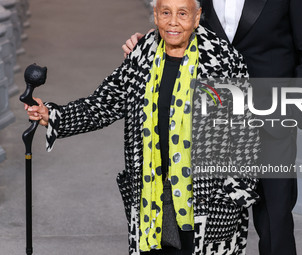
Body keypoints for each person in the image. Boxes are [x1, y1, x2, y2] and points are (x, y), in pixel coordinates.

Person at [24, 0, 260, 254]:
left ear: (197, 16)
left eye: (182, 13)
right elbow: (104, 103)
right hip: (152, 196)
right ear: (155, 14)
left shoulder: (222, 60)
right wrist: (54, 115)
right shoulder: (142, 54)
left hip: (207, 201)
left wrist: (231, 199)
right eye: (165, 12)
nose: (173, 22)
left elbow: (245, 138)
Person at [122, 0, 302, 255]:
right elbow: (178, 22)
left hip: (271, 120)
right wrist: (145, 44)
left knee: (275, 219)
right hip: (211, 122)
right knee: (207, 222)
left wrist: (290, 112)